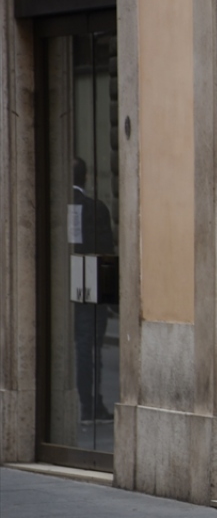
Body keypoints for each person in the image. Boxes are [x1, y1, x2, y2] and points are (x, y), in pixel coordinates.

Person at [72, 157, 117, 422]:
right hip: (90, 286)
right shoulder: (95, 208)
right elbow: (105, 256)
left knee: (81, 347)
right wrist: (112, 300)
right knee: (90, 348)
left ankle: (85, 404)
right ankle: (90, 404)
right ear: (87, 178)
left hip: (63, 288)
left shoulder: (54, 205)